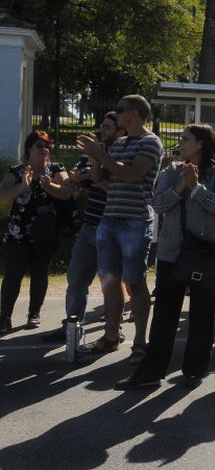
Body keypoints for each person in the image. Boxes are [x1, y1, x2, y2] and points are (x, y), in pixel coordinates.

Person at [116, 124, 215, 389]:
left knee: (201, 316)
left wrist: (197, 188)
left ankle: (194, 371)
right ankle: (150, 373)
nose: (180, 143)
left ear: (202, 144)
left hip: (206, 254)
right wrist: (181, 185)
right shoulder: (171, 171)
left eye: (186, 139)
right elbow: (158, 205)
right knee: (164, 317)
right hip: (172, 253)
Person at [76, 94, 163, 365]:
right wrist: (95, 158)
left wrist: (101, 154)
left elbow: (131, 175)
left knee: (135, 283)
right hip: (109, 219)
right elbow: (101, 177)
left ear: (134, 114)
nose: (117, 113)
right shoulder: (121, 142)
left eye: (120, 110)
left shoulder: (151, 142)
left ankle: (140, 341)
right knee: (109, 283)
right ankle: (111, 336)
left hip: (135, 221)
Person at [42, 112, 127, 342]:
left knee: (110, 284)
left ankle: (113, 330)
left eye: (108, 127)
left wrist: (96, 175)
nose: (103, 131)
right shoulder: (92, 154)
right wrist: (77, 180)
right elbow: (83, 188)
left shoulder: (123, 157)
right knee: (76, 279)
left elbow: (122, 190)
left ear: (121, 132)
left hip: (112, 230)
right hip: (90, 227)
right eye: (103, 125)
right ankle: (71, 327)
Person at [0, 131, 72, 333]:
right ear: (29, 149)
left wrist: (50, 186)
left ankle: (34, 314)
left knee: (40, 272)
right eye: (39, 145)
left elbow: (67, 193)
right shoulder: (15, 172)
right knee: (13, 275)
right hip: (18, 231)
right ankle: (4, 316)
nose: (44, 149)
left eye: (46, 146)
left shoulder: (57, 169)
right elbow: (3, 197)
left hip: (46, 232)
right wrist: (23, 185)